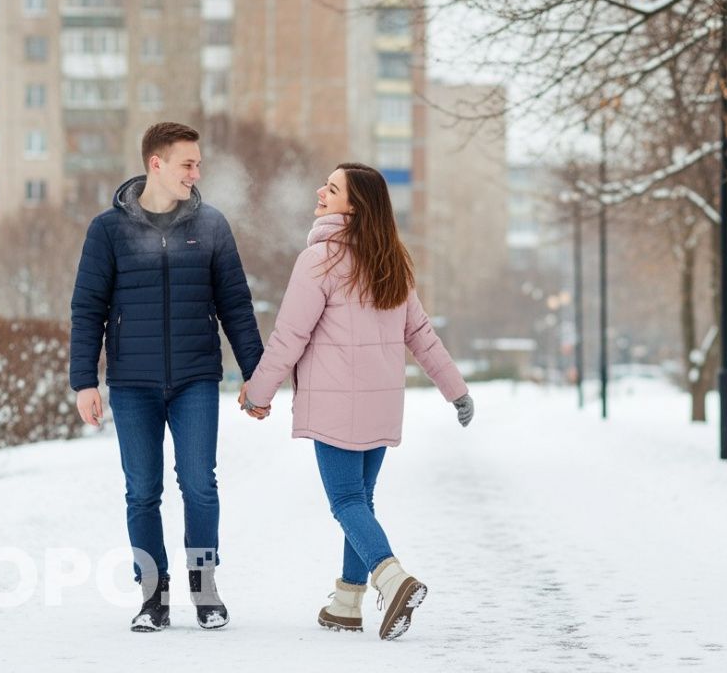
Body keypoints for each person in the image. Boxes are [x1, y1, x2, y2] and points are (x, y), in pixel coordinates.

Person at [239, 162, 474, 641]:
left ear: (354, 205)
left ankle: (393, 578)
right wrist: (457, 390)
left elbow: (289, 337)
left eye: (331, 188)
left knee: (346, 501)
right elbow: (422, 336)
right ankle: (347, 603)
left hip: (333, 405)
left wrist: (258, 393)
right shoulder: (392, 260)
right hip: (381, 404)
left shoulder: (319, 259)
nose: (319, 191)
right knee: (361, 500)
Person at [69, 122, 264, 633]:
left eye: (198, 163)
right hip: (132, 384)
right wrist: (83, 382)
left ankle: (204, 588)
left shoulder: (213, 226)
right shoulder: (108, 230)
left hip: (196, 379)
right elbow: (87, 308)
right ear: (156, 163)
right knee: (142, 492)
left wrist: (257, 374)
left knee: (199, 485)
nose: (196, 173)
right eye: (188, 164)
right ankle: (153, 597)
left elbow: (236, 306)